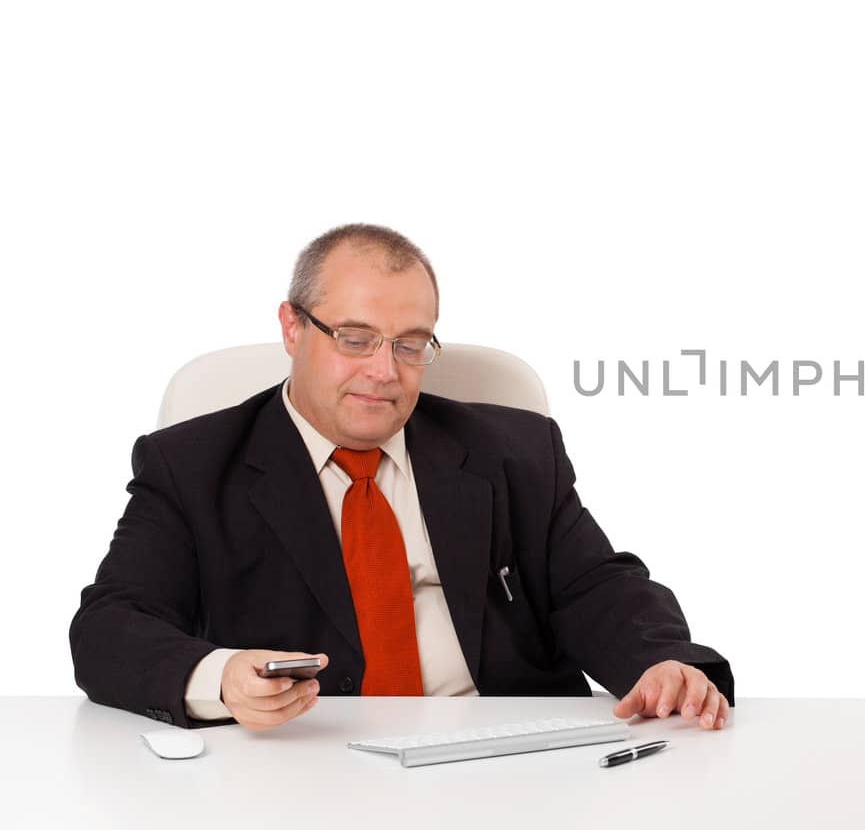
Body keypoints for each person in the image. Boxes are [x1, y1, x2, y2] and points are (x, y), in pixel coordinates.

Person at [70, 224, 732, 732]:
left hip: (511, 767)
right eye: (355, 338)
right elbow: (108, 626)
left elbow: (597, 587)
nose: (385, 370)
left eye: (411, 343)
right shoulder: (190, 464)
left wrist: (664, 663)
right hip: (299, 773)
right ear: (292, 328)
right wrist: (221, 677)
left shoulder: (515, 450)